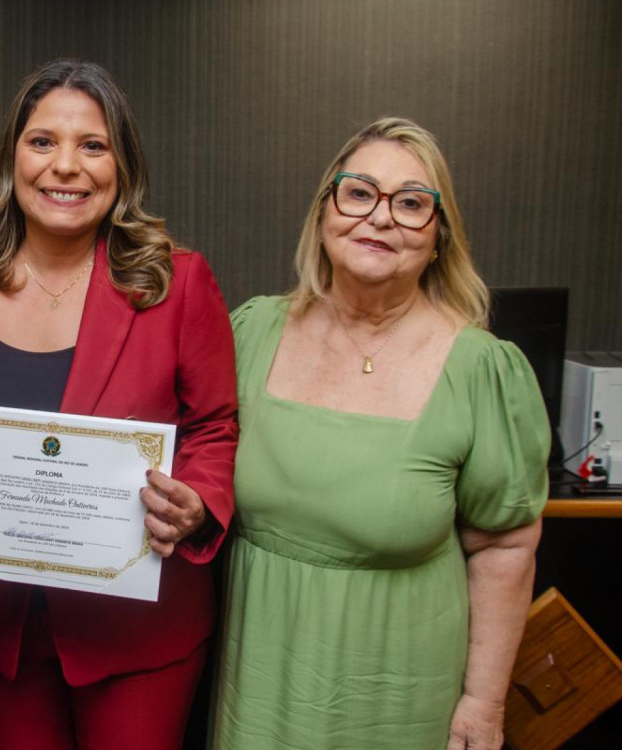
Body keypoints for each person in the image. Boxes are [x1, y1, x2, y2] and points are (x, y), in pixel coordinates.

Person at [0, 59, 239, 750]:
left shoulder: (178, 283)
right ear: (11, 157)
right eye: (42, 142)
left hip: (135, 635)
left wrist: (197, 500)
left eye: (92, 146)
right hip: (0, 629)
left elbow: (214, 425)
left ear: (121, 166)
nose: (66, 167)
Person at [208, 117, 548, 750]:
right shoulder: (250, 333)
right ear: (324, 212)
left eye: (412, 203)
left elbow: (505, 547)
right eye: (360, 192)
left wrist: (483, 702)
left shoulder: (480, 369)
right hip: (255, 690)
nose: (381, 217)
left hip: (402, 700)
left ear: (439, 236)